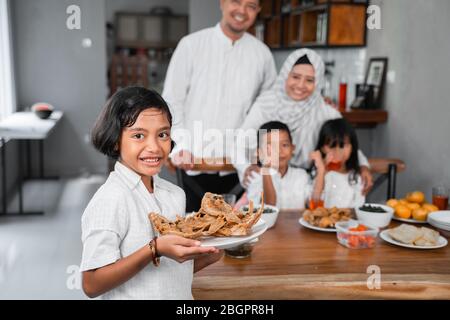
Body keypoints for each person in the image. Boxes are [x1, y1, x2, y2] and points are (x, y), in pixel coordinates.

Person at [80, 87, 222, 300]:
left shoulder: (174, 194)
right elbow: (91, 284)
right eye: (138, 135)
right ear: (115, 140)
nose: (154, 147)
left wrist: (212, 252)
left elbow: (169, 274)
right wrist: (153, 249)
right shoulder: (111, 199)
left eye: (163, 134)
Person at [163, 0, 277, 212]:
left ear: (258, 11)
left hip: (240, 167)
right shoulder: (191, 45)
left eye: (251, 6)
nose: (242, 11)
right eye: (236, 1)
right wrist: (182, 144)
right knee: (195, 234)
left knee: (240, 236)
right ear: (222, 2)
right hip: (194, 160)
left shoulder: (263, 55)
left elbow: (268, 108)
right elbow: (172, 100)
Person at [238, 48, 373, 195]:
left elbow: (344, 141)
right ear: (285, 75)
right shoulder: (266, 104)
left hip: (308, 187)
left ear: (318, 82)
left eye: (310, 80)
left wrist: (363, 166)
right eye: (295, 77)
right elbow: (242, 140)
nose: (301, 85)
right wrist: (246, 166)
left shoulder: (325, 110)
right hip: (270, 180)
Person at [244, 121, 314, 209]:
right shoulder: (255, 177)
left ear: (292, 148)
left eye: (284, 145)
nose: (279, 151)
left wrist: (321, 169)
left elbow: (314, 202)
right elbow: (269, 207)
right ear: (260, 153)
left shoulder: (301, 175)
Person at [309, 118, 365, 209]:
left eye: (343, 146)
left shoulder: (356, 177)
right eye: (332, 146)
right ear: (322, 148)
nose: (338, 152)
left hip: (348, 222)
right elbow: (314, 202)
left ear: (352, 148)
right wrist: (322, 171)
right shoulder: (318, 173)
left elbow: (358, 207)